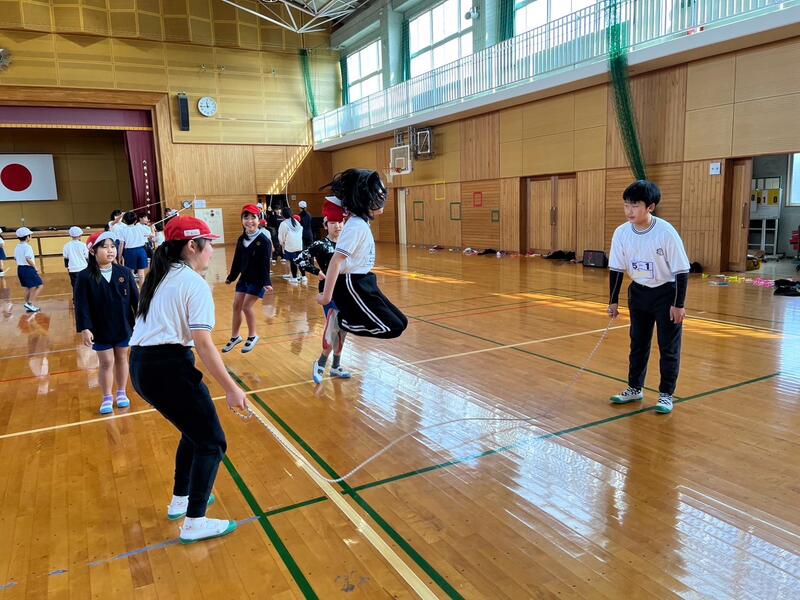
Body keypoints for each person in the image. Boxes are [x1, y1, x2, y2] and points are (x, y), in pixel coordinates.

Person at [128, 215, 246, 544]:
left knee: (193, 434)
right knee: (212, 442)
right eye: (209, 244)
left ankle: (181, 500)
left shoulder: (160, 276)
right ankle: (195, 521)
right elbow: (204, 344)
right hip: (168, 368)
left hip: (142, 366)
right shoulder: (193, 283)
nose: (212, 250)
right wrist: (232, 389)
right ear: (193, 245)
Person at [607, 180, 690, 415]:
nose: (629, 211)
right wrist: (613, 301)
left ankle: (666, 394)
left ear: (650, 207)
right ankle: (635, 388)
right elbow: (616, 269)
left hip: (666, 293)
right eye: (626, 205)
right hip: (638, 292)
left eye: (635, 205)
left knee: (668, 347)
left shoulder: (665, 232)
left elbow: (682, 270)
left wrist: (678, 305)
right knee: (638, 343)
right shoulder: (621, 233)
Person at [316, 169, 407, 339]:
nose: (380, 200)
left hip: (365, 279)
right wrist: (327, 297)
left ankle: (343, 321)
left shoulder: (361, 222)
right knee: (391, 328)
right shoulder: (355, 226)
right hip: (351, 282)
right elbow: (336, 261)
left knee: (402, 322)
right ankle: (340, 321)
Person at [74, 231, 138, 414]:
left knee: (122, 358)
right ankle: (107, 397)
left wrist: (141, 322)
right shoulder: (84, 276)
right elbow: (81, 304)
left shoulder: (124, 272)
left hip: (123, 325)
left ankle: (121, 393)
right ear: (93, 251)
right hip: (100, 328)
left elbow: (136, 300)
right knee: (106, 361)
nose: (110, 250)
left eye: (112, 246)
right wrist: (85, 328)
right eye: (104, 247)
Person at [296, 196, 352, 383]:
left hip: (346, 292)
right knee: (333, 325)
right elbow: (300, 259)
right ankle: (320, 363)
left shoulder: (346, 244)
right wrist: (317, 272)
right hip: (329, 291)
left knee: (343, 329)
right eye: (333, 223)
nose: (338, 226)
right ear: (326, 224)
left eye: (341, 222)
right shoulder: (320, 244)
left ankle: (335, 366)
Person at [222, 204, 273, 354]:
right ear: (242, 220)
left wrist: (266, 282)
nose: (249, 221)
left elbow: (265, 263)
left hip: (258, 280)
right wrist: (231, 277)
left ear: (259, 220)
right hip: (244, 279)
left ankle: (252, 335)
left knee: (246, 307)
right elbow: (237, 260)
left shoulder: (264, 241)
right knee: (236, 306)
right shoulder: (241, 239)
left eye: (253, 217)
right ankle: (235, 337)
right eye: (246, 217)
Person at [14, 227, 43, 313]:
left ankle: (28, 305)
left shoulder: (17, 246)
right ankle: (30, 303)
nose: (31, 237)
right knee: (39, 285)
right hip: (28, 269)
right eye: (30, 235)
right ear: (27, 237)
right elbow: (28, 258)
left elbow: (15, 258)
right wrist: (35, 267)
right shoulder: (27, 247)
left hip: (20, 268)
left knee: (28, 287)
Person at [118, 211, 150, 284]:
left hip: (130, 252)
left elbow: (121, 245)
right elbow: (149, 235)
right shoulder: (140, 227)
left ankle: (133, 289)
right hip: (141, 251)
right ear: (136, 220)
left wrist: (119, 257)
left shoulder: (122, 230)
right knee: (141, 273)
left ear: (124, 221)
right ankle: (142, 290)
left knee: (130, 273)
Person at [277, 206, 304, 285]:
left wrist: (282, 243)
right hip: (299, 245)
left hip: (290, 245)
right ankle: (304, 276)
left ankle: (294, 278)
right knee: (300, 260)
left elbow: (281, 237)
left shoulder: (283, 223)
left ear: (283, 214)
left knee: (292, 261)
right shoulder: (296, 221)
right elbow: (301, 231)